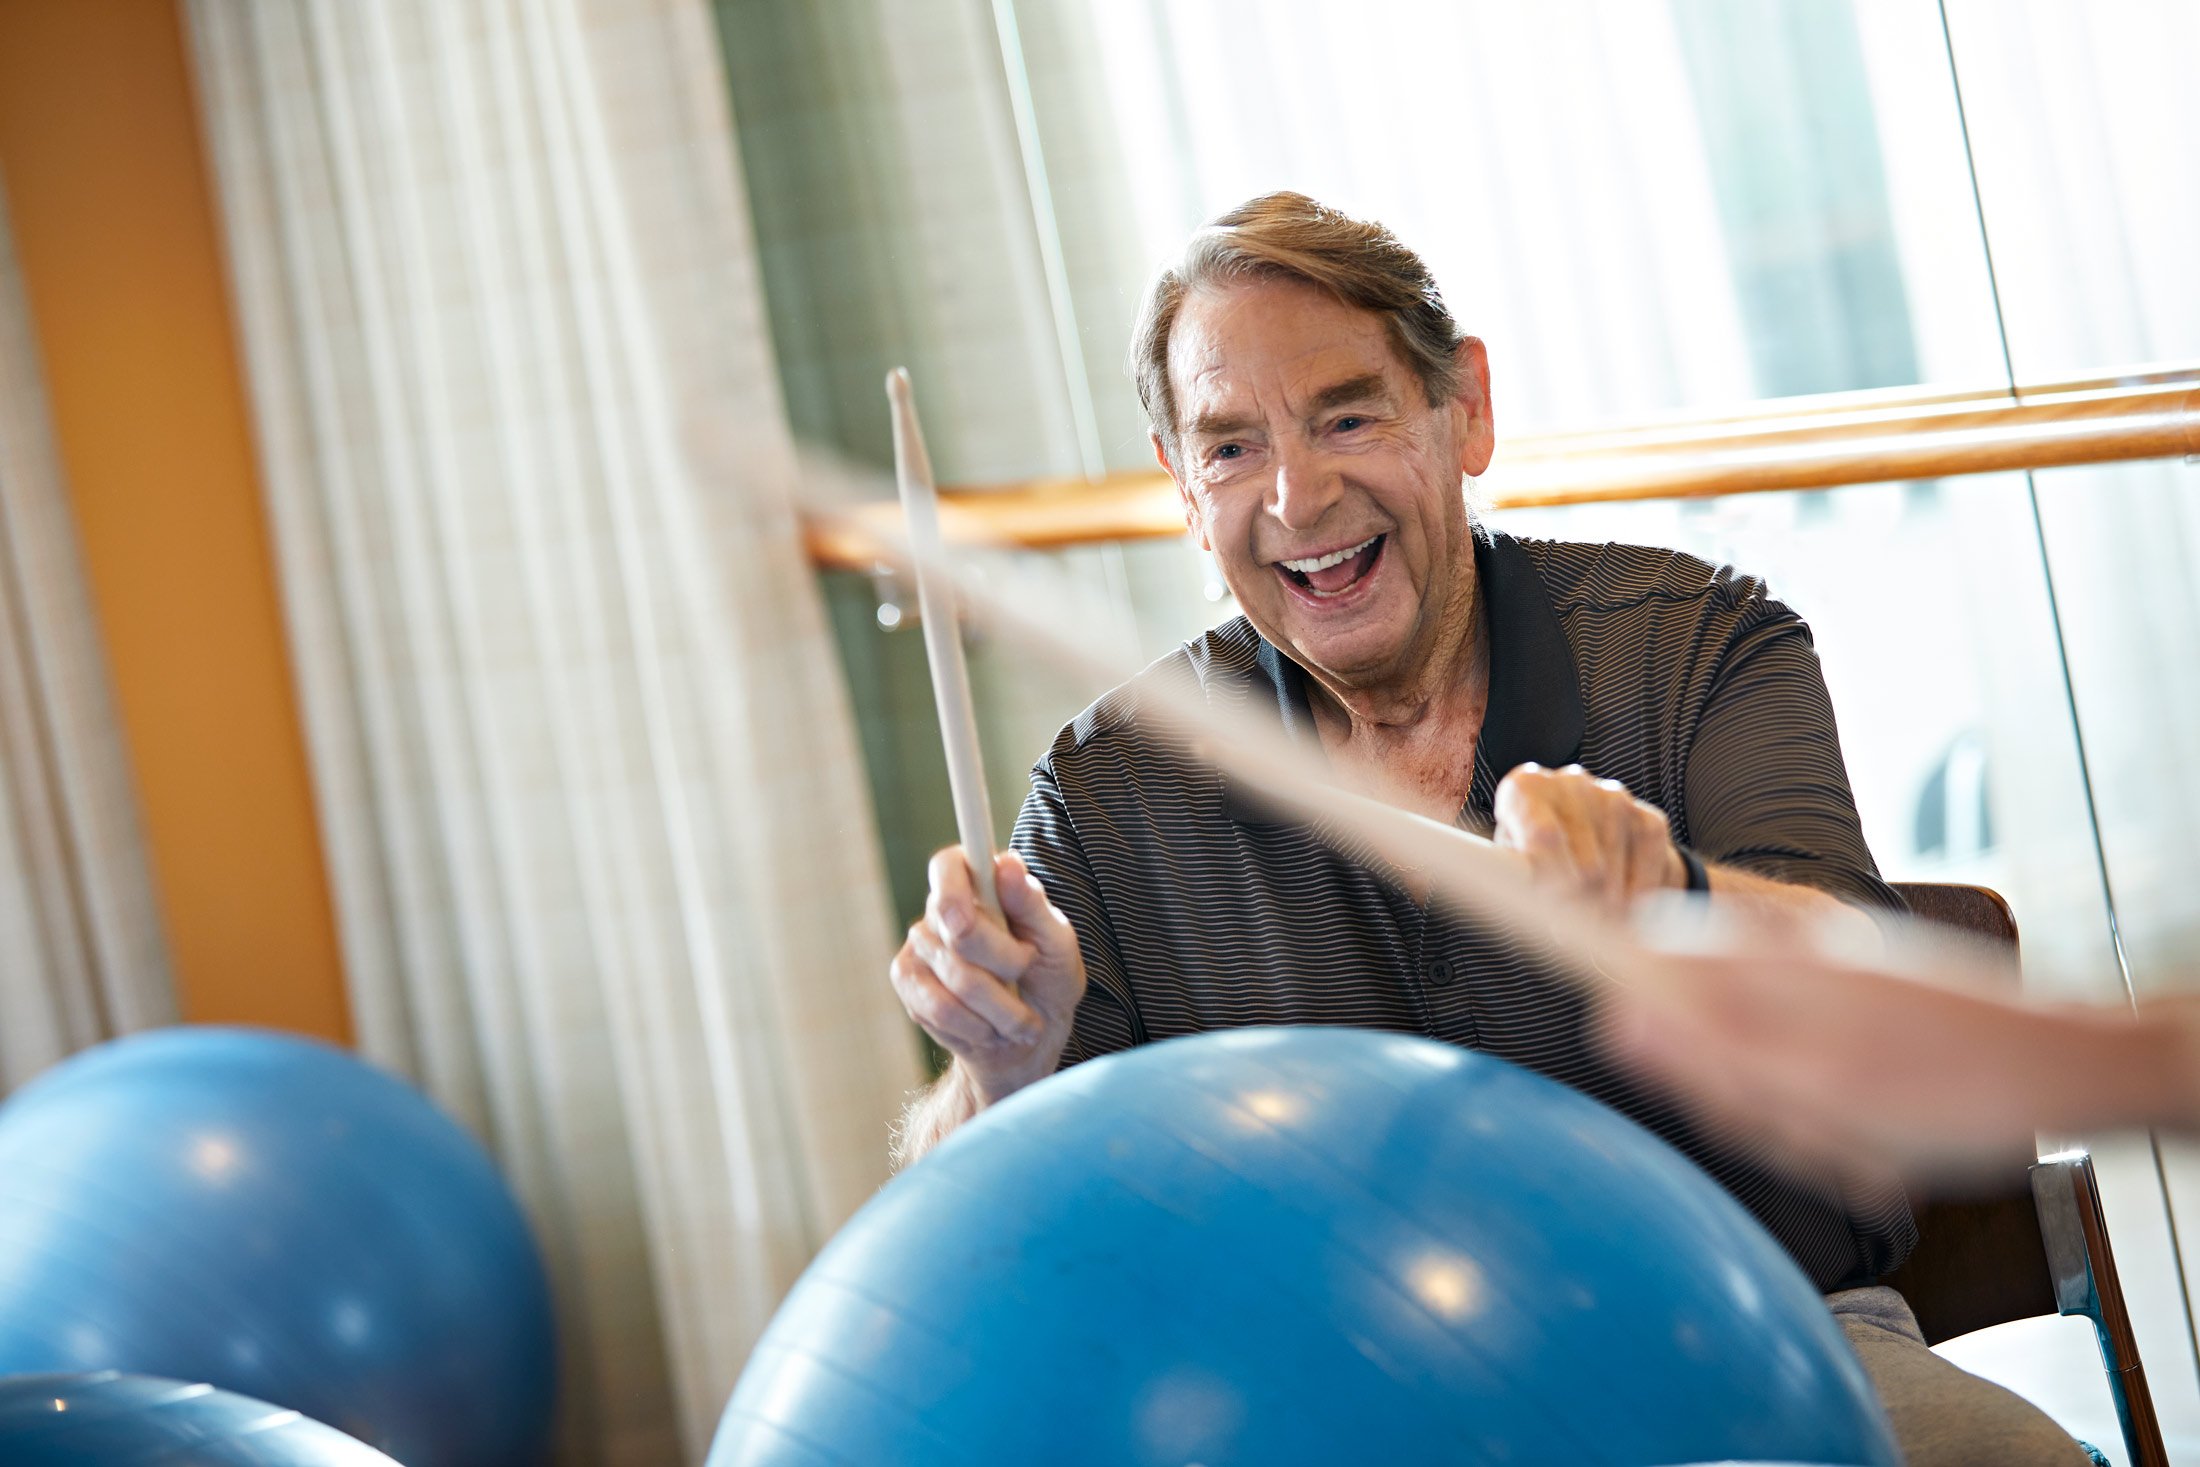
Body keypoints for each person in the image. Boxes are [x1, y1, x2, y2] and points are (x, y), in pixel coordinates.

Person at [887, 192, 2087, 1464]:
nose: (1298, 496)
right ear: (1182, 487)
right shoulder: (1108, 790)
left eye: (1347, 415)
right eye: (1232, 448)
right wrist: (995, 1068)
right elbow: (996, 1239)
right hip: (1346, 1420)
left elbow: (1865, 983)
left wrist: (1670, 891)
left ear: (1465, 408)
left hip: (1761, 1349)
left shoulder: (1695, 644)